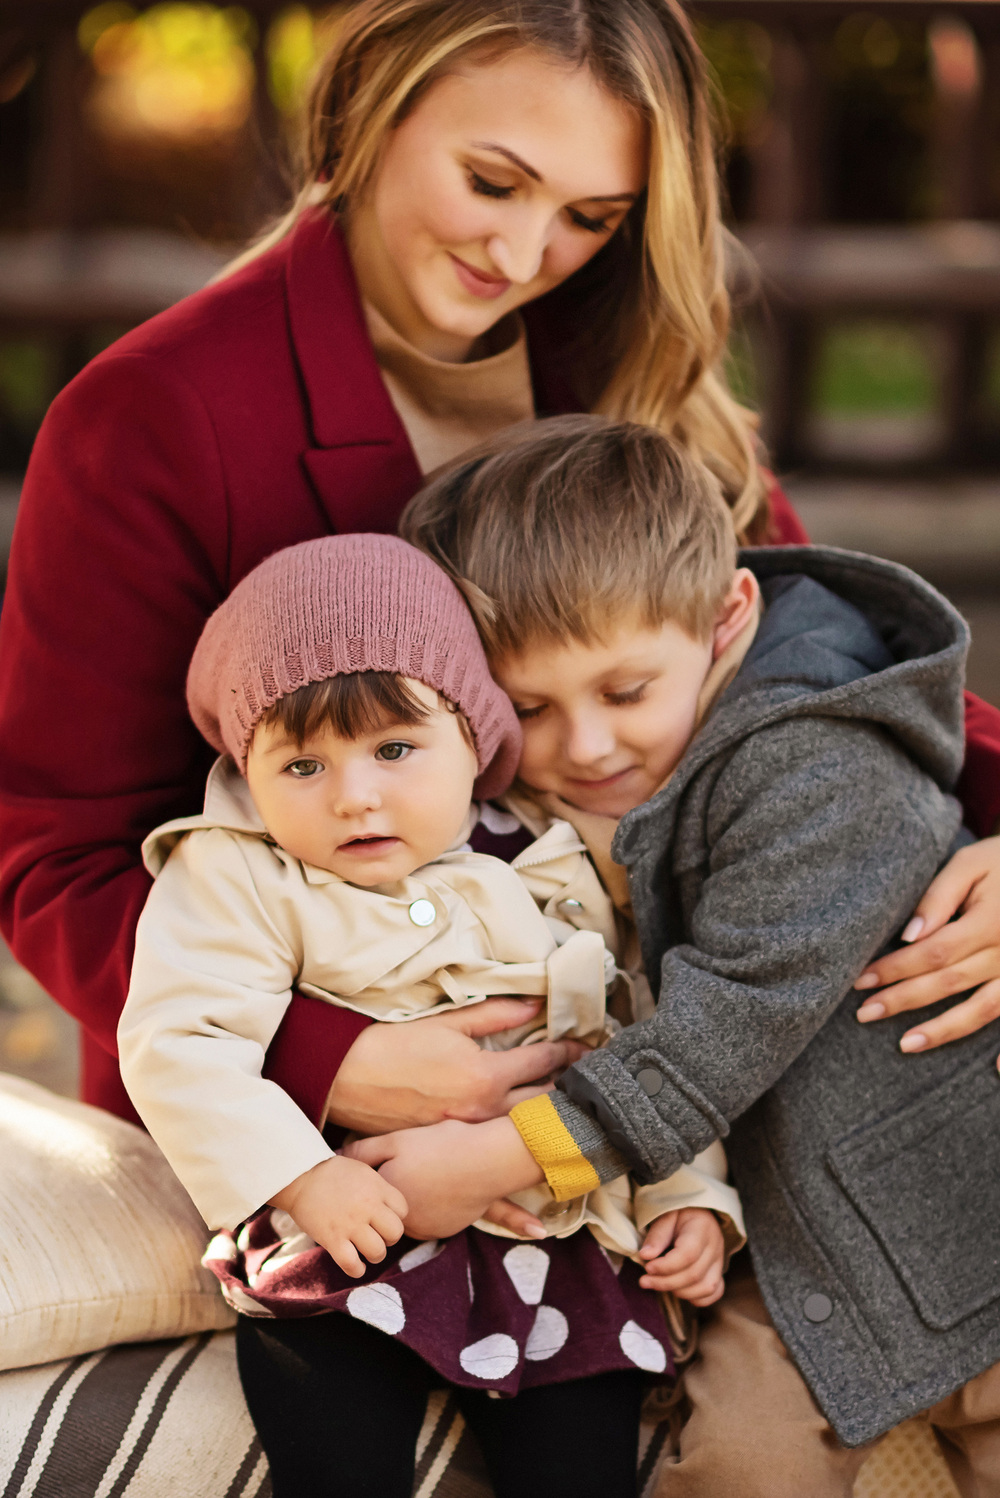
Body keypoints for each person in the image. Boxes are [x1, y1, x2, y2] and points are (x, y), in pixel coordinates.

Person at [0, 0, 997, 1162]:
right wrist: (327, 1056)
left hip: (656, 1096)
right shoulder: (155, 417)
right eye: (491, 182)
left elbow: (807, 647)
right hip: (301, 1149)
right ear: (374, 99)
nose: (524, 257)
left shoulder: (628, 356)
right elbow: (52, 857)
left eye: (589, 215)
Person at [348, 413, 1000, 1498]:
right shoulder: (566, 795)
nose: (586, 746)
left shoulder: (819, 767)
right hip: (790, 1253)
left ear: (724, 615)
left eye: (624, 691)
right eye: (528, 708)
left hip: (965, 1203)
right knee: (745, 1463)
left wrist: (497, 1159)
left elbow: (722, 1025)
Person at [118, 531, 743, 1498]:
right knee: (333, 1451)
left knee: (579, 1468)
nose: (355, 797)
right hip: (349, 1228)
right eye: (302, 766)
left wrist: (686, 1194)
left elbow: (640, 1033)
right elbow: (179, 1042)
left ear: (476, 735)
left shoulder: (544, 853)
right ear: (247, 768)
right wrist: (301, 1175)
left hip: (553, 1234)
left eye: (395, 748)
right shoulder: (240, 869)